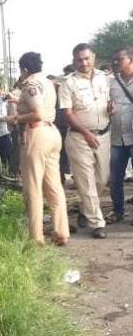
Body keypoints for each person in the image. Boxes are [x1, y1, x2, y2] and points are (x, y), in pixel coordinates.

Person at [6, 52, 69, 246]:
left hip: (36, 135)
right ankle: (61, 232)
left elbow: (37, 113)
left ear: (24, 69)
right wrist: (19, 103)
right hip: (52, 134)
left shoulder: (30, 84)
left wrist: (14, 119)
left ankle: (36, 238)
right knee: (54, 187)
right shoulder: (47, 82)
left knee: (33, 188)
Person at [59, 43, 111, 238]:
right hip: (80, 138)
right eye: (79, 59)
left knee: (102, 179)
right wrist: (85, 132)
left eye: (87, 58)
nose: (84, 63)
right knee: (87, 182)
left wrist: (110, 110)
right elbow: (67, 113)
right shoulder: (68, 83)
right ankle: (97, 223)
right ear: (74, 61)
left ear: (93, 57)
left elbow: (107, 104)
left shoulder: (104, 78)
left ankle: (84, 209)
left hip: (103, 135)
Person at [107, 47, 133, 224]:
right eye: (115, 59)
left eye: (120, 59)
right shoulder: (111, 82)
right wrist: (108, 108)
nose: (116, 62)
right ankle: (117, 211)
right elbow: (105, 105)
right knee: (115, 179)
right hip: (117, 138)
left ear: (131, 59)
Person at [47, 75, 71, 183]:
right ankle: (59, 176)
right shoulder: (46, 96)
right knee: (56, 154)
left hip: (65, 127)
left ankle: (62, 174)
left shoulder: (64, 93)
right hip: (53, 128)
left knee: (64, 154)